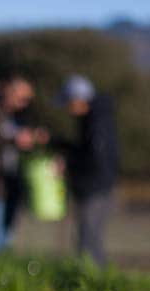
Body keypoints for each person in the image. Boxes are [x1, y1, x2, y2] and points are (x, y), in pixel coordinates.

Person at [0, 74, 46, 253]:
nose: (23, 101)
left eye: (26, 98)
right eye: (19, 95)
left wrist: (35, 139)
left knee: (5, 240)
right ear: (4, 89)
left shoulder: (20, 118)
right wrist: (13, 139)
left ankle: (0, 277)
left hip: (12, 183)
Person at [57, 75, 119, 267]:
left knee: (88, 240)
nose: (67, 108)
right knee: (87, 238)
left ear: (78, 100)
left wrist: (69, 164)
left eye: (68, 103)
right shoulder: (92, 119)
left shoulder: (97, 123)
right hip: (94, 187)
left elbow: (94, 157)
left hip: (95, 188)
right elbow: (84, 150)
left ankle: (93, 282)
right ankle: (91, 279)